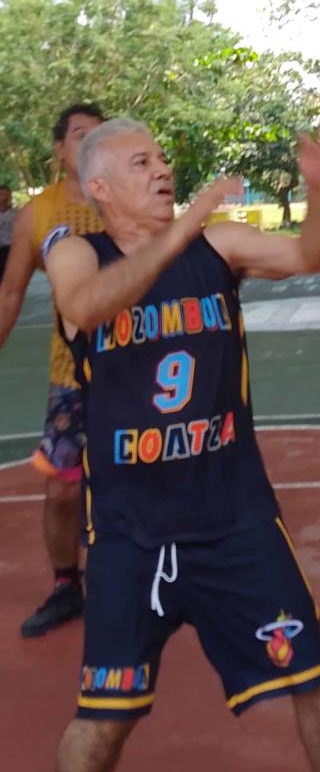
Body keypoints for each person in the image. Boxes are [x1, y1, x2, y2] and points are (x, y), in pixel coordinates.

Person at [44, 119, 320, 772]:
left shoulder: (216, 246)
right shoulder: (77, 254)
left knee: (317, 681)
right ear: (99, 186)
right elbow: (89, 307)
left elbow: (312, 255)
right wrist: (181, 228)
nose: (162, 170)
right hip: (130, 534)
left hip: (235, 520)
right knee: (102, 723)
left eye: (161, 158)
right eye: (141, 162)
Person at [0, 103, 107, 637]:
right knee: (63, 490)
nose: (89, 144)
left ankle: (142, 581)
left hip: (133, 370)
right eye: (79, 135)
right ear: (61, 148)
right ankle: (68, 586)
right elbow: (12, 290)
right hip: (72, 375)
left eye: (98, 135)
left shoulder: (125, 197)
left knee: (131, 483)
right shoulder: (37, 215)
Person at [0, 184, 15, 280]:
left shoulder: (15, 213)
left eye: (6, 194)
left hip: (8, 248)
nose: (3, 197)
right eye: (1, 194)